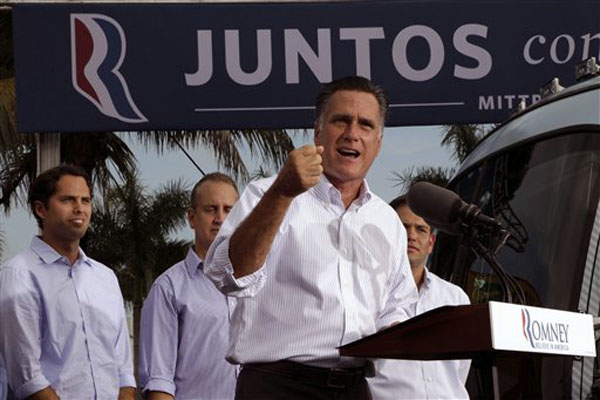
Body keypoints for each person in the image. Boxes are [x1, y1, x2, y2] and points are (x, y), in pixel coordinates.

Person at [204, 76, 418, 400]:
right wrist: (282, 193)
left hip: (355, 388)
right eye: (341, 120)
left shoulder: (387, 220)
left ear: (378, 142)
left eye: (365, 125)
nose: (352, 134)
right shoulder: (268, 193)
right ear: (318, 131)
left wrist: (392, 330)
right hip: (278, 387)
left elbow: (399, 305)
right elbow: (227, 274)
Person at [0, 165, 135, 400]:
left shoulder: (105, 277)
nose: (79, 208)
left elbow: (123, 369)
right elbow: (27, 378)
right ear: (41, 210)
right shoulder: (19, 274)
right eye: (68, 200)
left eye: (85, 200)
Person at [139, 173, 239, 400]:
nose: (220, 218)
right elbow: (159, 381)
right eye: (211, 209)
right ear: (191, 217)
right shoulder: (169, 288)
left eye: (229, 210)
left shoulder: (255, 282)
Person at [367, 195, 471, 400]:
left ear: (431, 243)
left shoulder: (455, 298)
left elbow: (461, 370)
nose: (411, 236)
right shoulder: (366, 292)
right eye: (403, 227)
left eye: (421, 229)